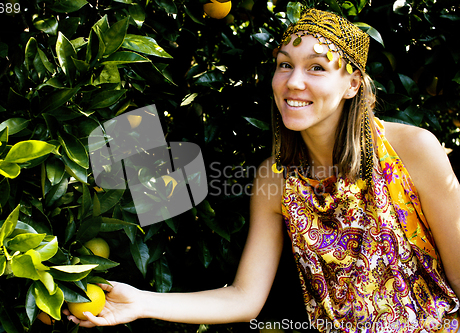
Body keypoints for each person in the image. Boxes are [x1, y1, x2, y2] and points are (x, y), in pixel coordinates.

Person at [65, 8, 460, 332]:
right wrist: (142, 302)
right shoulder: (275, 178)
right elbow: (244, 298)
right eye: (285, 65)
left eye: (317, 68)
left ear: (353, 84)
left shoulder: (410, 149)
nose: (294, 82)